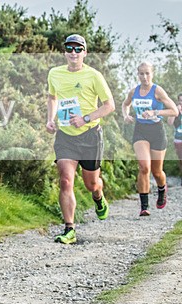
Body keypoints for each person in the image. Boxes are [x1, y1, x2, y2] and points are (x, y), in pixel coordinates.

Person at [46, 34, 115, 244]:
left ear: (85, 52)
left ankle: (98, 197)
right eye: (70, 48)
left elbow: (109, 105)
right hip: (65, 136)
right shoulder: (55, 73)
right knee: (65, 180)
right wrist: (50, 119)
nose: (73, 53)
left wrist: (85, 118)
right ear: (65, 52)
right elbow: (52, 97)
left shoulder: (94, 75)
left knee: (91, 183)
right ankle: (69, 229)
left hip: (90, 135)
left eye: (78, 49)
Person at [122, 63, 179, 215]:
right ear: (138, 74)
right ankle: (144, 206)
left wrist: (155, 112)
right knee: (144, 167)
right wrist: (126, 115)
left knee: (157, 171)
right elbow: (125, 104)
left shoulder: (157, 90)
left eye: (147, 73)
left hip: (157, 131)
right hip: (140, 130)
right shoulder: (134, 91)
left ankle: (162, 189)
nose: (144, 77)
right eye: (141, 74)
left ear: (152, 74)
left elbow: (174, 111)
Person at [170, 93, 182, 172]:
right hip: (178, 139)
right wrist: (174, 112)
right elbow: (170, 122)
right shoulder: (175, 111)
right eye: (180, 100)